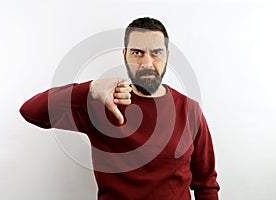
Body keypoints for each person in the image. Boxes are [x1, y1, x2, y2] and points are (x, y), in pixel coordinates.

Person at [20, 17, 220, 199]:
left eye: (156, 53)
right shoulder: (102, 104)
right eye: (137, 53)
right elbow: (31, 112)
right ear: (125, 55)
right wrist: (90, 88)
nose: (147, 63)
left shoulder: (190, 110)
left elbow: (206, 185)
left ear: (167, 55)